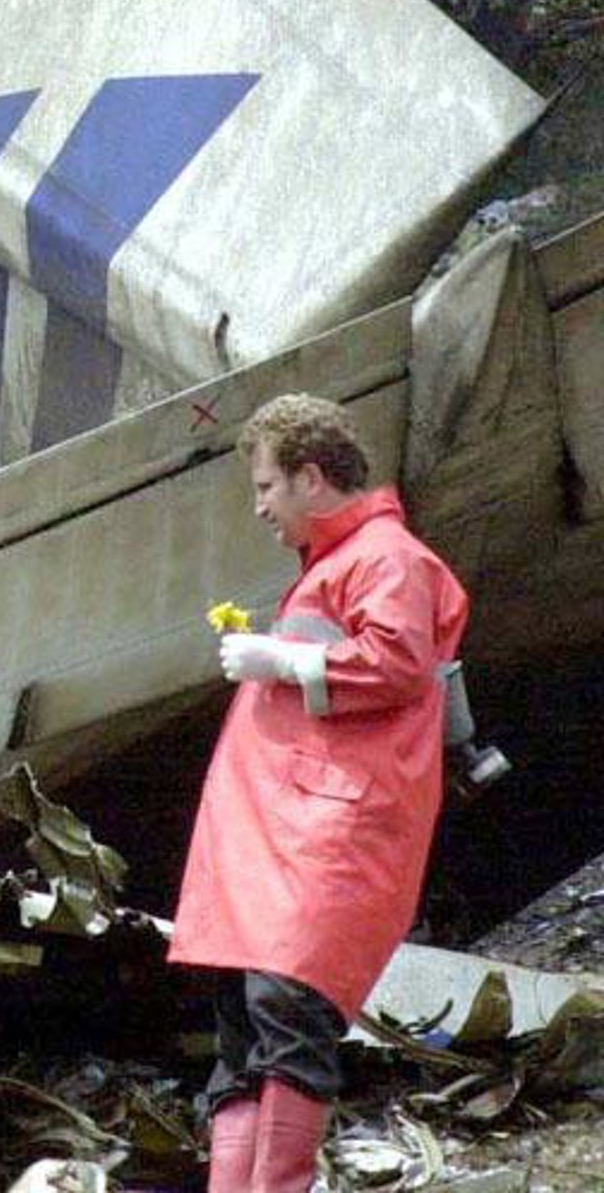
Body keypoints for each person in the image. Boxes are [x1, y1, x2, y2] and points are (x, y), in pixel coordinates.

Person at [168, 393, 469, 1193]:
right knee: (244, 1031)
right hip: (279, 842)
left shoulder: (386, 556)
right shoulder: (338, 566)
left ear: (310, 478)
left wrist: (284, 661)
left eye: (267, 486)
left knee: (287, 1016)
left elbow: (399, 662)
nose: (260, 507)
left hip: (320, 841)